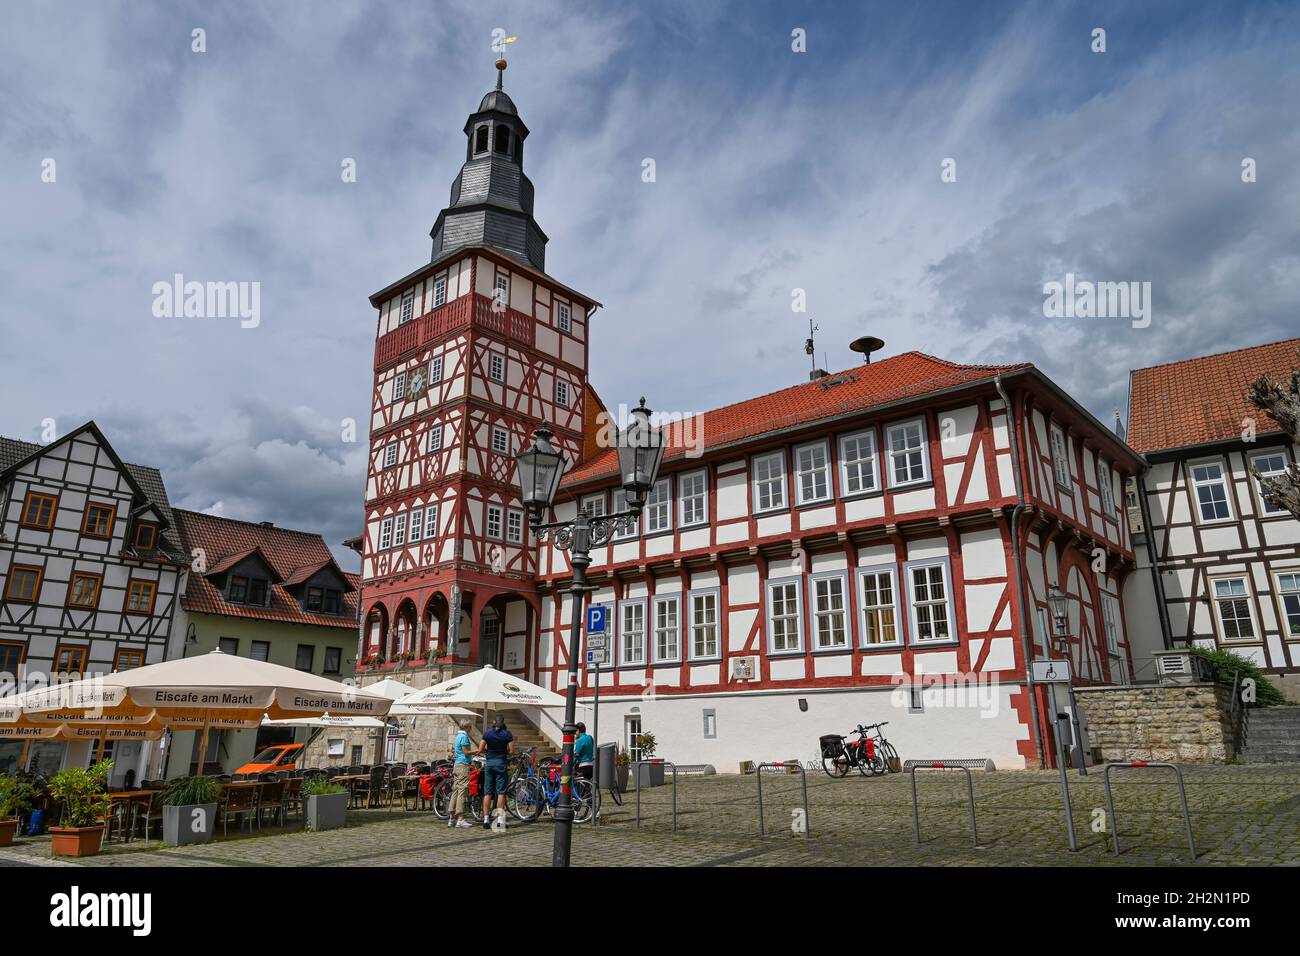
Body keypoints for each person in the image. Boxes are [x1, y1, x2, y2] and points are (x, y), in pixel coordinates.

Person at [479, 714, 514, 829]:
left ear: (494, 722)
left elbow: (480, 749)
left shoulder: (487, 733)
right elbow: (511, 750)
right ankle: (500, 820)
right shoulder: (507, 734)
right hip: (501, 763)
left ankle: (485, 820)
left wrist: (488, 751)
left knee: (487, 792)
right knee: (501, 792)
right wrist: (504, 752)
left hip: (489, 763)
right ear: (503, 722)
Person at [449, 720, 475, 828]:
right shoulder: (464, 737)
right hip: (463, 765)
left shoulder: (457, 736)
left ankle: (451, 817)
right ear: (467, 727)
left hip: (456, 765)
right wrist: (477, 751)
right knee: (461, 791)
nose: (471, 729)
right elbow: (465, 752)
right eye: (470, 727)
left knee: (455, 790)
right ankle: (460, 818)